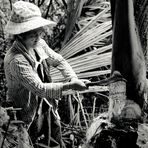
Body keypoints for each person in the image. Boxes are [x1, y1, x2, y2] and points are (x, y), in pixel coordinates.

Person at [4, 1, 89, 147]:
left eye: (39, 33)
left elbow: (59, 60)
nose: (38, 38)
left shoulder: (40, 44)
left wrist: (73, 77)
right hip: (25, 112)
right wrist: (71, 86)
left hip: (46, 105)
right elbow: (40, 88)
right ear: (20, 36)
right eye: (33, 35)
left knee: (53, 139)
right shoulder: (16, 59)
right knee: (28, 142)